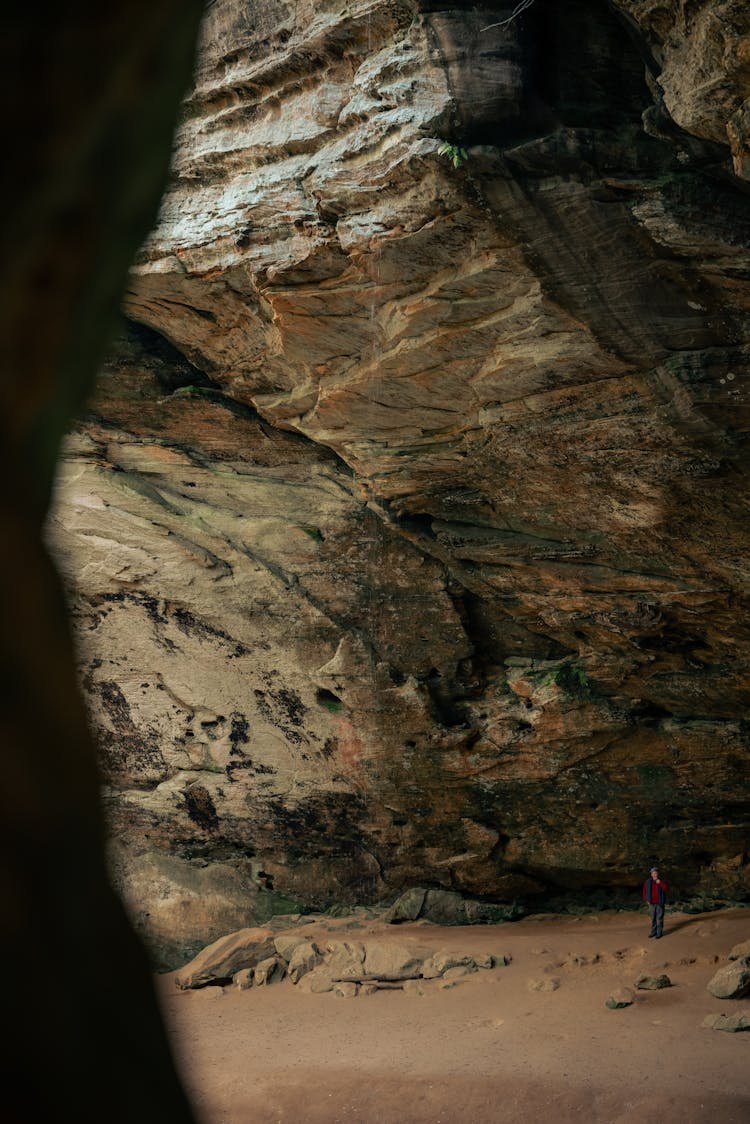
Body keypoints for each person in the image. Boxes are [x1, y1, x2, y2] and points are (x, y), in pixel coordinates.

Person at [642, 865, 668, 938]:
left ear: (658, 873)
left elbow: (666, 889)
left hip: (660, 903)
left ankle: (659, 933)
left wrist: (660, 883)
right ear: (651, 874)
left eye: (656, 873)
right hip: (651, 903)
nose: (655, 874)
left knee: (659, 918)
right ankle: (653, 932)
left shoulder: (662, 881)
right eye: (653, 873)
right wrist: (646, 900)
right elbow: (644, 891)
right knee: (653, 918)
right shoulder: (647, 882)